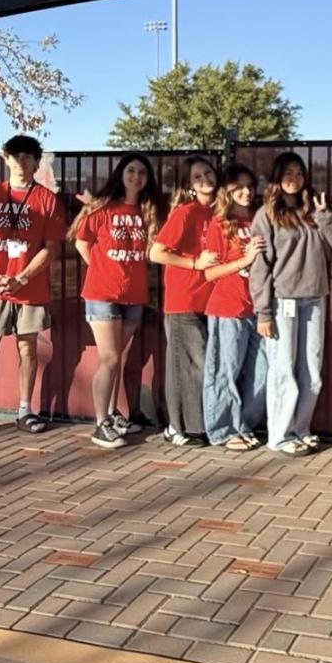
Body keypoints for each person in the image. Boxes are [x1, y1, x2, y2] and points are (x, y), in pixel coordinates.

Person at [0, 136, 66, 438]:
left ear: (36, 162)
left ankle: (25, 410)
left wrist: (21, 278)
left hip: (30, 290)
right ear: (6, 160)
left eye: (28, 157)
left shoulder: (47, 200)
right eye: (16, 157)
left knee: (28, 348)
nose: (21, 163)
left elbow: (51, 248)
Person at [71, 153, 164, 448]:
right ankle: (100, 424)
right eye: (131, 170)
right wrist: (100, 268)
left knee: (116, 358)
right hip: (102, 294)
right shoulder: (103, 207)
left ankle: (111, 414)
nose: (136, 176)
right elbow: (81, 242)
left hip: (133, 295)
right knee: (109, 358)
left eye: (142, 172)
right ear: (121, 173)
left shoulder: (148, 211)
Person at [250, 153, 332, 455]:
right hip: (282, 301)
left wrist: (325, 218)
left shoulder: (313, 210)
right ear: (277, 177)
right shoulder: (265, 215)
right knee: (283, 369)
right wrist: (263, 312)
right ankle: (279, 435)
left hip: (314, 298)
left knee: (312, 369)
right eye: (288, 173)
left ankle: (301, 428)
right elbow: (260, 266)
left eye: (299, 173)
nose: (294, 179)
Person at [150, 155, 219, 447]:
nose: (205, 180)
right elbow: (156, 253)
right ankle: (179, 428)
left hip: (210, 301)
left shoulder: (218, 213)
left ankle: (195, 425)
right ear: (189, 185)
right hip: (184, 299)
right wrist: (194, 264)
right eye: (197, 177)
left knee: (200, 365)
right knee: (188, 365)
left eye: (208, 173)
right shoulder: (185, 213)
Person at [202, 164, 268, 451]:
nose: (246, 191)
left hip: (259, 308)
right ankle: (223, 430)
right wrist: (244, 260)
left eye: (250, 186)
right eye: (239, 187)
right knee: (225, 372)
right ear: (228, 191)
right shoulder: (220, 223)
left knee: (261, 372)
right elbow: (210, 273)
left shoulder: (259, 219)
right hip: (228, 307)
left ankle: (244, 425)